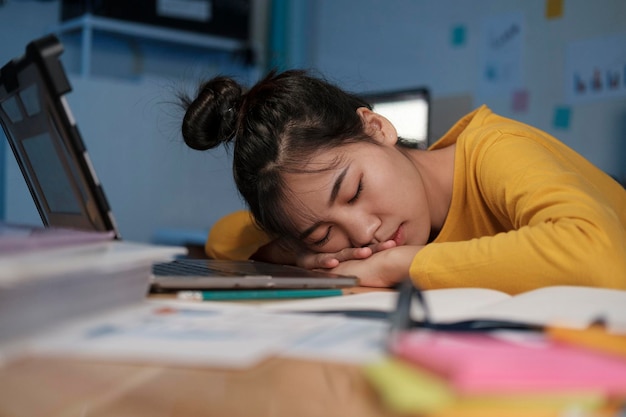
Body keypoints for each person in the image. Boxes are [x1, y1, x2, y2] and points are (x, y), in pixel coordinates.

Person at [179, 69, 626, 295]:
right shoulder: (335, 236)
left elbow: (596, 256)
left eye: (354, 191)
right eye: (324, 232)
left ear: (376, 128)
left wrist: (397, 265)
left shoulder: (493, 149)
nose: (362, 233)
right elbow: (222, 240)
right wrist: (294, 249)